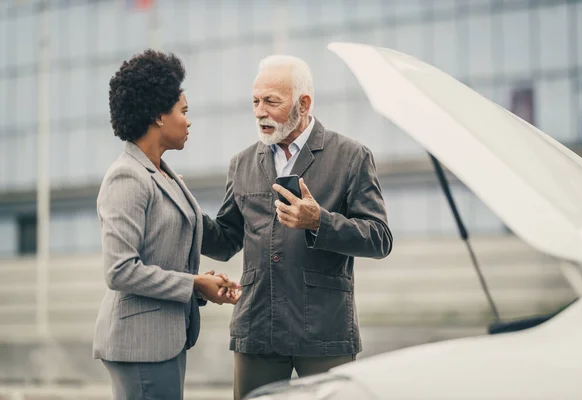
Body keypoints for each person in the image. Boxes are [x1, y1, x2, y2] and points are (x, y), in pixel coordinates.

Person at [201, 55, 393, 399]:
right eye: (256, 101)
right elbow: (226, 240)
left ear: (304, 104)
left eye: (272, 102)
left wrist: (320, 221)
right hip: (256, 326)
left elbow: (379, 238)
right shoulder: (242, 163)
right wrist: (184, 213)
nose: (260, 111)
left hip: (324, 328)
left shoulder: (351, 156)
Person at [93, 49, 241, 400]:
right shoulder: (127, 177)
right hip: (140, 345)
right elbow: (119, 270)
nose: (189, 121)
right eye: (183, 111)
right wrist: (194, 284)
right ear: (159, 116)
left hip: (166, 338)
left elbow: (190, 240)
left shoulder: (163, 173)